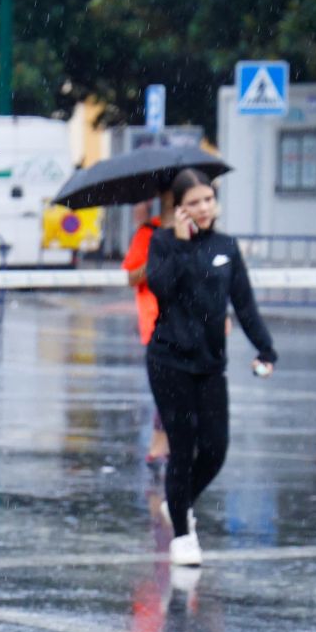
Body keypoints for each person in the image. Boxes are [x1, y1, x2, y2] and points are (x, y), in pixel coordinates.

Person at [143, 168, 277, 568]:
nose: (202, 208)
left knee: (215, 449)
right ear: (179, 209)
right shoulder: (163, 242)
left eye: (207, 200)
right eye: (193, 203)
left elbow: (245, 304)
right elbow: (161, 290)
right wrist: (182, 247)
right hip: (169, 360)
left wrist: (266, 348)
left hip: (209, 363)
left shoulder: (226, 246)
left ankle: (178, 502)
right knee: (182, 449)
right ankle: (183, 536)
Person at [124, 197, 172, 465]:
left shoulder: (195, 235)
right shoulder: (148, 233)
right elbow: (132, 276)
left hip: (190, 321)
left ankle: (166, 440)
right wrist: (156, 261)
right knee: (167, 383)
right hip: (156, 321)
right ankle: (159, 440)